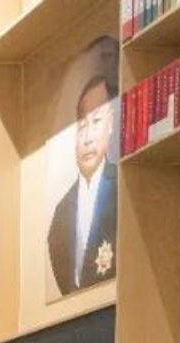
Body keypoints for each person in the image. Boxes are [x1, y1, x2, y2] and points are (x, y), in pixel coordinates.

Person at [47, 74, 119, 297]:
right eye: (81, 126)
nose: (87, 138)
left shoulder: (123, 190)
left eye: (96, 122)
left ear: (110, 124)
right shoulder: (62, 211)